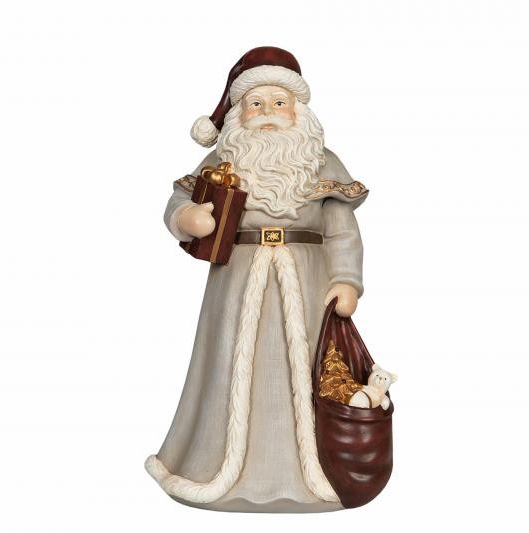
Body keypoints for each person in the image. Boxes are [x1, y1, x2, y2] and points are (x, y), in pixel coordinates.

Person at [145, 46, 369, 513]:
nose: (268, 113)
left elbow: (342, 229)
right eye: (256, 103)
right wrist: (187, 218)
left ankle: (308, 473)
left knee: (306, 367)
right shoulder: (224, 158)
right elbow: (179, 202)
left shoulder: (322, 162)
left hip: (307, 281)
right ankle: (215, 464)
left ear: (298, 110)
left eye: (279, 102)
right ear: (238, 113)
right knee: (230, 364)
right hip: (237, 281)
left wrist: (347, 279)